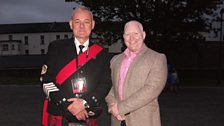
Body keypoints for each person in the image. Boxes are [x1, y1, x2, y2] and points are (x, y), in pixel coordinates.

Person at [40, 6, 111, 126]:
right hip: (60, 113)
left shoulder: (101, 53)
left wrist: (84, 103)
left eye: (86, 22)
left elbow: (105, 83)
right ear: (71, 24)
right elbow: (46, 81)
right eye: (77, 22)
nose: (81, 26)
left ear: (92, 25)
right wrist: (67, 105)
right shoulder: (56, 48)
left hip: (87, 113)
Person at [105, 20, 167, 126]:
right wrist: (111, 104)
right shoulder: (115, 60)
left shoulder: (157, 58)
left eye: (135, 34)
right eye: (128, 34)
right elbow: (112, 88)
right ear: (123, 37)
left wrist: (120, 108)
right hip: (117, 121)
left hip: (143, 121)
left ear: (143, 35)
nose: (131, 38)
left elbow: (151, 89)